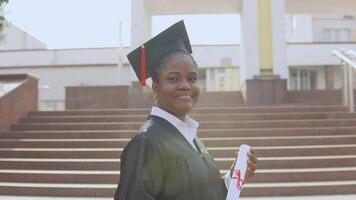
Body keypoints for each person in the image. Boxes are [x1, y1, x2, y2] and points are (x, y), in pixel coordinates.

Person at [114, 20, 257, 200]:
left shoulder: (191, 138)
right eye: (173, 79)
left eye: (192, 79)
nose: (185, 86)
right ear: (156, 88)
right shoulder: (147, 143)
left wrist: (233, 178)